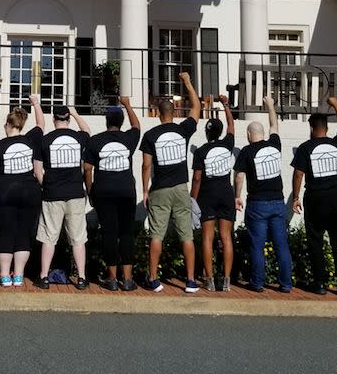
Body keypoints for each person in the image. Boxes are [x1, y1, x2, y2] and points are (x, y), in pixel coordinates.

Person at [141, 71, 201, 293]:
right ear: (175, 112)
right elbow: (196, 108)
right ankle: (191, 280)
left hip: (159, 189)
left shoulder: (151, 135)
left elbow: (146, 166)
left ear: (157, 114)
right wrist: (187, 82)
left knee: (157, 234)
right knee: (186, 234)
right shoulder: (183, 130)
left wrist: (144, 190)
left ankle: (153, 278)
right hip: (180, 187)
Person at [233, 95, 293, 293]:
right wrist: (270, 106)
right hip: (277, 201)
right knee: (281, 245)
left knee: (257, 246)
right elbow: (274, 125)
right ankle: (285, 284)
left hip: (257, 204)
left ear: (249, 134)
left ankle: (258, 283)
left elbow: (239, 176)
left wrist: (237, 195)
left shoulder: (246, 152)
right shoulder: (275, 145)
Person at [292, 95, 337, 296]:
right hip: (336, 196)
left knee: (315, 240)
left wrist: (295, 197)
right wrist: (335, 105)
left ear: (311, 128)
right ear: (326, 128)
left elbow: (299, 173)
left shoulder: (305, 148)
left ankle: (320, 282)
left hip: (315, 197)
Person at [0, 94, 44, 287]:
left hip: (3, 192)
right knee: (23, 233)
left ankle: (4, 275)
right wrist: (35, 104)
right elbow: (41, 124)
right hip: (29, 191)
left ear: (8, 125)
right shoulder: (31, 140)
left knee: (6, 232)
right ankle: (18, 275)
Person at [83, 97, 141, 291]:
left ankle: (112, 279)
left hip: (104, 190)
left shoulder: (95, 140)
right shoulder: (128, 138)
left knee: (109, 233)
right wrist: (127, 104)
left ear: (106, 121)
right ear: (121, 122)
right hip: (126, 190)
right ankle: (128, 279)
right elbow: (137, 126)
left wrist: (90, 191)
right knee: (126, 233)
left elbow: (88, 169)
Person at [35, 104, 91, 290]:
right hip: (75, 193)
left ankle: (43, 276)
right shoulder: (78, 137)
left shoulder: (44, 140)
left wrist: (47, 184)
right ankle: (82, 277)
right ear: (67, 119)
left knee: (49, 236)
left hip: (52, 194)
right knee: (78, 238)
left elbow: (37, 170)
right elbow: (87, 130)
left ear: (53, 119)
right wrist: (75, 113)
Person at [190, 94, 236, 292]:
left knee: (207, 237)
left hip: (207, 195)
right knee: (226, 237)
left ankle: (208, 279)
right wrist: (226, 105)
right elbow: (232, 126)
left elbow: (197, 178)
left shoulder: (200, 151)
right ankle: (226, 279)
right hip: (226, 192)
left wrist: (193, 198)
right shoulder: (227, 145)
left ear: (207, 134)